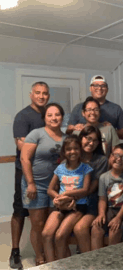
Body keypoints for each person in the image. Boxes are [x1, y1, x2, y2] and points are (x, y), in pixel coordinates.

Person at [20, 103, 66, 266]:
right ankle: (40, 256)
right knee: (38, 224)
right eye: (50, 115)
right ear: (44, 118)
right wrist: (31, 183)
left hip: (55, 187)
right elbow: (24, 159)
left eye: (57, 114)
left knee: (52, 222)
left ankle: (51, 252)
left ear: (62, 116)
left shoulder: (65, 137)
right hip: (35, 186)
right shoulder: (36, 134)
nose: (54, 118)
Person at [10, 81, 50, 269]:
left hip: (47, 173)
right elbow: (22, 146)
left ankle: (45, 249)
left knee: (45, 213)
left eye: (45, 93)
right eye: (38, 93)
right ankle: (15, 251)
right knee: (20, 210)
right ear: (31, 94)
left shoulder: (50, 114)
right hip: (25, 171)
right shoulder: (23, 116)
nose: (42, 96)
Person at [42, 135, 93, 262]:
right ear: (64, 152)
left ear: (80, 150)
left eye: (75, 148)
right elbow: (50, 190)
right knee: (46, 234)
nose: (72, 152)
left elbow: (85, 190)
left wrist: (67, 194)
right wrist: (58, 197)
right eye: (69, 149)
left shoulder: (85, 168)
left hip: (77, 206)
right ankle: (50, 264)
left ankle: (63, 265)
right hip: (60, 205)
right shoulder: (60, 168)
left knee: (60, 235)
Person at [73, 126, 108, 253]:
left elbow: (90, 189)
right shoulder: (73, 157)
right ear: (81, 138)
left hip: (91, 201)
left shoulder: (101, 160)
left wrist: (71, 197)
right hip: (74, 202)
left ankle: (89, 262)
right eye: (88, 138)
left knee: (79, 228)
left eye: (95, 140)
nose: (91, 143)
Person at [91, 144, 123, 250]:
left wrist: (118, 218)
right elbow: (102, 199)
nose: (118, 159)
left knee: (115, 230)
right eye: (116, 155)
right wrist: (101, 214)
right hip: (109, 209)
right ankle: (96, 261)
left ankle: (111, 263)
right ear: (110, 156)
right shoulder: (103, 177)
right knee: (96, 228)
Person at [66, 75, 123, 140]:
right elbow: (68, 132)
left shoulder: (116, 109)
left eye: (103, 86)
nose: (99, 88)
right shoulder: (78, 108)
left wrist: (109, 130)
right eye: (96, 85)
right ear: (90, 88)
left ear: (107, 89)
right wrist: (74, 128)